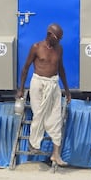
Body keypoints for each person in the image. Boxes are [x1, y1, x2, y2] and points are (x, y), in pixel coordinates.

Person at [17, 23, 71, 166]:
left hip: (53, 84)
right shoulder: (36, 47)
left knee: (56, 118)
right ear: (49, 35)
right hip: (38, 84)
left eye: (60, 39)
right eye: (57, 38)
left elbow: (61, 69)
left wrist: (67, 90)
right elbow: (26, 68)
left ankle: (56, 154)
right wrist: (21, 88)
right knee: (39, 114)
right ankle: (34, 143)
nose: (58, 41)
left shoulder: (59, 49)